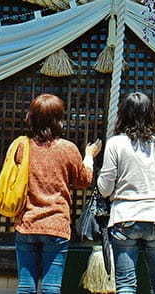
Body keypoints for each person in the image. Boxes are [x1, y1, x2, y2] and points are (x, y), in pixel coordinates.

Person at [12, 94, 101, 294]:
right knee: (51, 287)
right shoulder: (67, 148)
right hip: (56, 225)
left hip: (26, 223)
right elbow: (83, 180)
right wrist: (89, 156)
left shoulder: (22, 147)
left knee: (26, 286)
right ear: (58, 119)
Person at [98, 92, 155, 294]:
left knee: (126, 285)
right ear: (151, 113)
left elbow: (105, 188)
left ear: (123, 113)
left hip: (125, 216)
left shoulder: (115, 143)